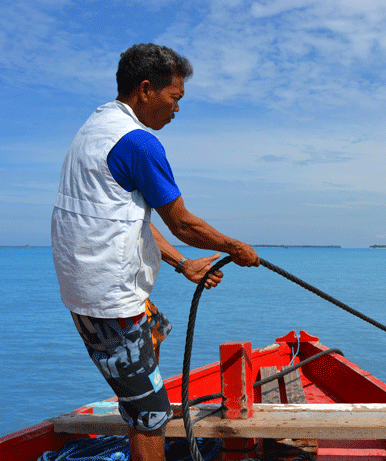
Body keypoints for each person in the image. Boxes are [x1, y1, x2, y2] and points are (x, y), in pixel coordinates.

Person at [51, 43, 260, 461]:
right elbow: (181, 222)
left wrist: (183, 263)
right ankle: (143, 416)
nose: (177, 109)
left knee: (157, 327)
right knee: (152, 415)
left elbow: (130, 221)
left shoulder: (96, 127)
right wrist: (235, 248)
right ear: (146, 90)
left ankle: (139, 401)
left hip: (91, 285)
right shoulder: (139, 144)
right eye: (174, 98)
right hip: (108, 300)